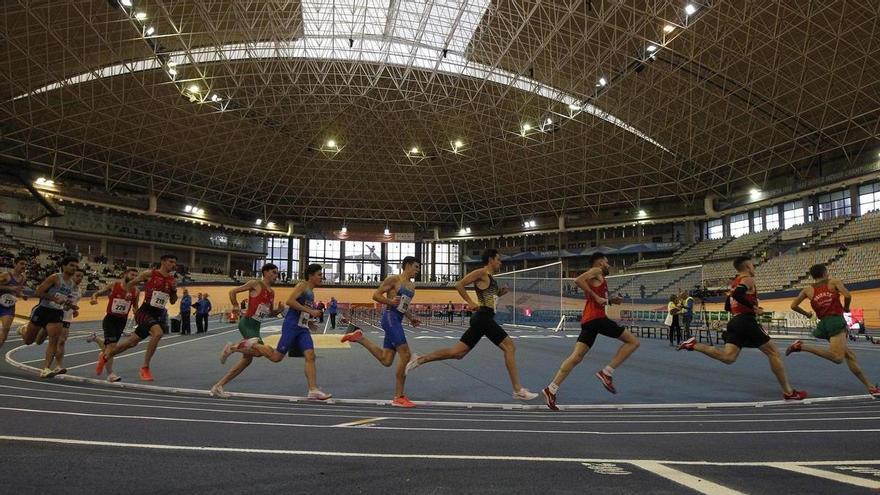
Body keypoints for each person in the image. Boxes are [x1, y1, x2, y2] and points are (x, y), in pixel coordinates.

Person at [405, 249, 538, 401]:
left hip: (484, 318)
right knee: (510, 347)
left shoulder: (491, 279)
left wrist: (500, 293)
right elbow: (460, 285)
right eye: (499, 260)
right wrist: (470, 302)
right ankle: (517, 389)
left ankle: (420, 359)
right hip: (483, 317)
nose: (500, 263)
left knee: (457, 353)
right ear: (491, 260)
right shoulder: (481, 273)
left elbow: (489, 298)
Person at [677, 255, 808, 400]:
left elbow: (728, 305)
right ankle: (788, 392)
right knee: (774, 353)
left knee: (728, 357)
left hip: (735, 321)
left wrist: (745, 307)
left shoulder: (734, 283)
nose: (754, 268)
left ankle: (694, 345)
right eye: (752, 265)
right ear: (746, 267)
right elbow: (739, 295)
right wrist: (753, 307)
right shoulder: (748, 280)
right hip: (746, 321)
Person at [542, 252, 640, 410]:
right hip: (597, 319)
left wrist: (610, 301)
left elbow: (598, 299)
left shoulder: (600, 277)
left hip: (589, 320)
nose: (608, 265)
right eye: (607, 263)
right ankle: (606, 372)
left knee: (576, 357)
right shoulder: (597, 271)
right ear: (600, 263)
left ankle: (551, 389)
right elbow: (577, 280)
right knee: (633, 342)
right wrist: (596, 297)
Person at [225, 264, 331, 400]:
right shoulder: (302, 286)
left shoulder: (311, 292)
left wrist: (308, 322)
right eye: (319, 275)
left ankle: (313, 389)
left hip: (302, 328)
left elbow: (297, 309)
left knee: (310, 355)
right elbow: (290, 301)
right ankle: (243, 345)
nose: (322, 277)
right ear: (311, 276)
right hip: (291, 326)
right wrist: (310, 311)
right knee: (276, 357)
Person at [787, 264, 879, 396]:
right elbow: (847, 295)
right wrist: (846, 308)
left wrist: (807, 314)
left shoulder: (808, 289)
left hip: (824, 324)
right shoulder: (833, 282)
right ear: (825, 273)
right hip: (835, 321)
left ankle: (870, 387)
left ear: (813, 276)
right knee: (837, 358)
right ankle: (801, 346)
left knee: (850, 355)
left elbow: (793, 305)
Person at [341, 256, 421, 407]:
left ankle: (359, 338)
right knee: (405, 355)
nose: (418, 270)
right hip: (389, 317)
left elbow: (403, 306)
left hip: (397, 320)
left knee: (386, 360)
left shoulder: (412, 286)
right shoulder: (394, 280)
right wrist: (390, 301)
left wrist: (410, 318)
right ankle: (399, 396)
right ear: (408, 266)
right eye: (416, 267)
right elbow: (376, 295)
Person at [99, 255, 178, 381]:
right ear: (163, 262)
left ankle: (106, 356)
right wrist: (128, 294)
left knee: (131, 343)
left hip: (158, 314)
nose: (173, 265)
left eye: (175, 263)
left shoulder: (172, 280)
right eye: (171, 262)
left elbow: (173, 301)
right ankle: (145, 368)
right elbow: (131, 284)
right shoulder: (150, 274)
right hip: (144, 312)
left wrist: (174, 291)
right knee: (157, 333)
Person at [213, 263, 283, 397]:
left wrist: (277, 311)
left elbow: (268, 313)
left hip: (256, 327)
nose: (276, 275)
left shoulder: (271, 292)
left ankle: (218, 386)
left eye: (277, 273)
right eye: (274, 272)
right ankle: (232, 348)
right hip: (247, 323)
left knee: (246, 361)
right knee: (262, 352)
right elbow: (232, 291)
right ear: (266, 272)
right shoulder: (255, 284)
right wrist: (235, 305)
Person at [24, 256, 80, 378]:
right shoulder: (55, 278)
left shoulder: (72, 284)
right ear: (64, 266)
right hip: (43, 310)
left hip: (57, 313)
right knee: (28, 341)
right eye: (71, 265)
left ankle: (46, 368)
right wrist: (54, 299)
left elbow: (64, 299)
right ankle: (23, 330)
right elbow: (38, 292)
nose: (74, 268)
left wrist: (71, 307)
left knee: (54, 340)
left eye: (76, 266)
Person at [87, 267, 140, 382]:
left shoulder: (136, 291)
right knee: (111, 348)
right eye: (132, 275)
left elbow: (135, 307)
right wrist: (93, 298)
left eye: (136, 276)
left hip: (121, 322)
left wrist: (138, 316)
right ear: (125, 274)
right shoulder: (114, 285)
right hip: (110, 319)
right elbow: (97, 293)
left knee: (111, 348)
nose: (134, 278)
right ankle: (110, 374)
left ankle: (96, 340)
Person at [53, 268, 85, 376]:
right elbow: (58, 299)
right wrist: (71, 306)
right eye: (77, 276)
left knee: (61, 341)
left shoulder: (79, 291)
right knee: (38, 339)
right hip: (53, 314)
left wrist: (74, 311)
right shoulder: (65, 287)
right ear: (72, 276)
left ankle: (58, 366)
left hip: (66, 318)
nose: (79, 278)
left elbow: (73, 302)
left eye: (81, 276)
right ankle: (24, 329)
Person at [0, 256, 28, 351]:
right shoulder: (6, 275)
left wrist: (22, 295)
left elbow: (17, 291)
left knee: (6, 330)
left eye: (25, 264)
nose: (24, 266)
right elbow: (13, 288)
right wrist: (10, 288)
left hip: (8, 306)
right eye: (21, 264)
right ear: (15, 264)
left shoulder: (23, 278)